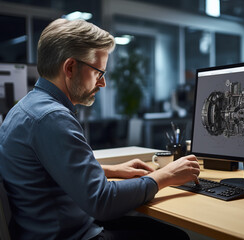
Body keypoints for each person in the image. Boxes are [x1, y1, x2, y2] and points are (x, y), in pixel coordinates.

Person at [0, 18, 200, 240]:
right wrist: (166, 175)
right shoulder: (53, 118)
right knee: (174, 237)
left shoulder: (24, 109)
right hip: (70, 235)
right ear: (70, 67)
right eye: (98, 73)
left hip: (40, 229)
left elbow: (46, 171)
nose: (102, 83)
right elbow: (102, 202)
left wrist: (110, 170)